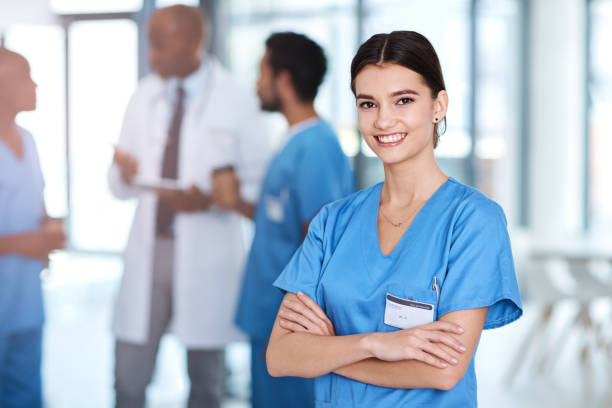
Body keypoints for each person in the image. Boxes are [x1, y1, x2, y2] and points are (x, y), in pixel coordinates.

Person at [266, 31, 523, 407]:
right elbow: (281, 356)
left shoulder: (473, 221)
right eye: (368, 104)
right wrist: (378, 344)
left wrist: (329, 353)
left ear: (439, 106)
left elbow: (443, 370)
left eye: (403, 100)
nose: (384, 120)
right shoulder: (332, 223)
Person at [108, 6, 268, 408]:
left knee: (206, 381)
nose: (152, 55)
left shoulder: (236, 99)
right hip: (151, 249)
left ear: (195, 42)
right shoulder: (144, 93)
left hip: (208, 252)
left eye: (161, 45)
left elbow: (258, 184)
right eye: (151, 43)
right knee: (128, 377)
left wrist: (211, 200)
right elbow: (118, 185)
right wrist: (121, 173)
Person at [231, 33, 354, 408]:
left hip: (290, 320)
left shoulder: (316, 148)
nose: (257, 83)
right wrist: (234, 202)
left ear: (283, 81)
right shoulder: (293, 140)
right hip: (269, 313)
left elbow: (320, 241)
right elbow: (281, 224)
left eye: (262, 72)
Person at [0, 48, 66, 407]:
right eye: (25, 75)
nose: (35, 84)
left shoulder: (29, 141)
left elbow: (35, 206)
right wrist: (16, 244)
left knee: (25, 392)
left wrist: (49, 233)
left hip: (26, 297)